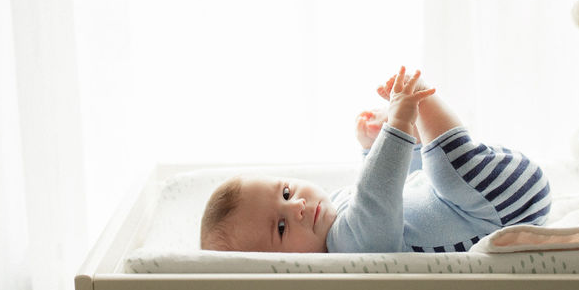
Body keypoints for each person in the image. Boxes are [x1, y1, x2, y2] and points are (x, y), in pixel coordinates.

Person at [200, 67, 551, 253]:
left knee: (426, 175)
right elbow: (377, 198)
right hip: (498, 211)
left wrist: (372, 147)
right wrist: (397, 124)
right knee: (444, 169)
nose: (299, 207)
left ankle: (418, 108)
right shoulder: (349, 247)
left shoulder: (336, 211)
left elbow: (388, 185)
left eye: (287, 193)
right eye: (281, 227)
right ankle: (423, 98)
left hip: (491, 191)